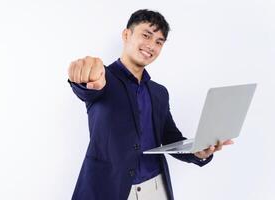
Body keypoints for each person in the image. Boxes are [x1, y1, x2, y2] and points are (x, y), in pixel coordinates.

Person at [67, 9, 233, 200]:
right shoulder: (103, 77)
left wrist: (198, 152)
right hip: (108, 189)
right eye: (146, 35)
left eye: (158, 42)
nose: (151, 46)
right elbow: (88, 88)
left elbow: (171, 139)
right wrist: (84, 76)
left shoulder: (159, 92)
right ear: (126, 34)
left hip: (155, 188)